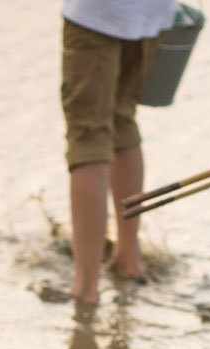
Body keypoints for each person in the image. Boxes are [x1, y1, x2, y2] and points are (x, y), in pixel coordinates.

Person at [61, 0, 178, 304]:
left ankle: (86, 287)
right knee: (122, 120)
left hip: (99, 15)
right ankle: (129, 257)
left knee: (88, 138)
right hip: (151, 16)